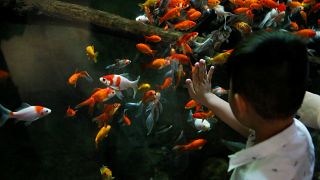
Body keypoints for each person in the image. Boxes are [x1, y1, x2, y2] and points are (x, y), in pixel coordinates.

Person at [186, 31, 315, 179]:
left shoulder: (251, 176)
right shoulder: (298, 133)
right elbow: (254, 127)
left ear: (241, 104)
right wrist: (208, 98)